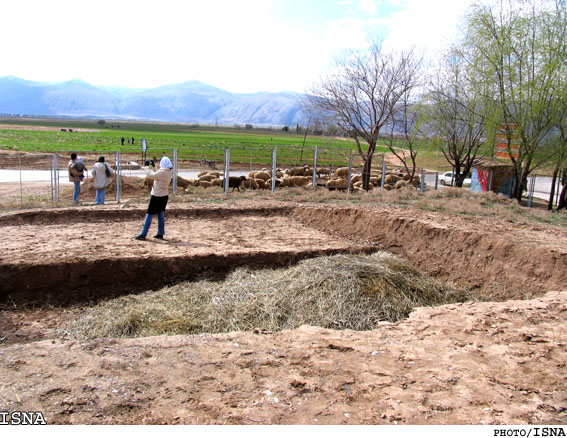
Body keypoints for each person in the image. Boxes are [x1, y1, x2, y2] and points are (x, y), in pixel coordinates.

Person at [135, 156, 173, 240]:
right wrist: (154, 166)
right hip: (164, 196)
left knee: (149, 214)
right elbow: (158, 174)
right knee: (160, 214)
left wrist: (146, 167)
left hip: (157, 196)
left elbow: (151, 175)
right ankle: (160, 233)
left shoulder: (163, 172)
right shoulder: (169, 171)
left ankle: (143, 233)